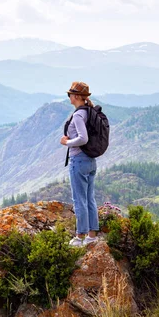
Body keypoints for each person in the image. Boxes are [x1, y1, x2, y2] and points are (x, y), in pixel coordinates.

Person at [60, 81, 99, 246]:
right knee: (90, 198)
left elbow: (83, 138)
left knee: (79, 200)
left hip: (79, 160)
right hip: (91, 160)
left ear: (76, 96)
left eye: (70, 94)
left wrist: (66, 143)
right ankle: (92, 236)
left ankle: (80, 237)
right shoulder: (90, 111)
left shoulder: (78, 115)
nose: (69, 97)